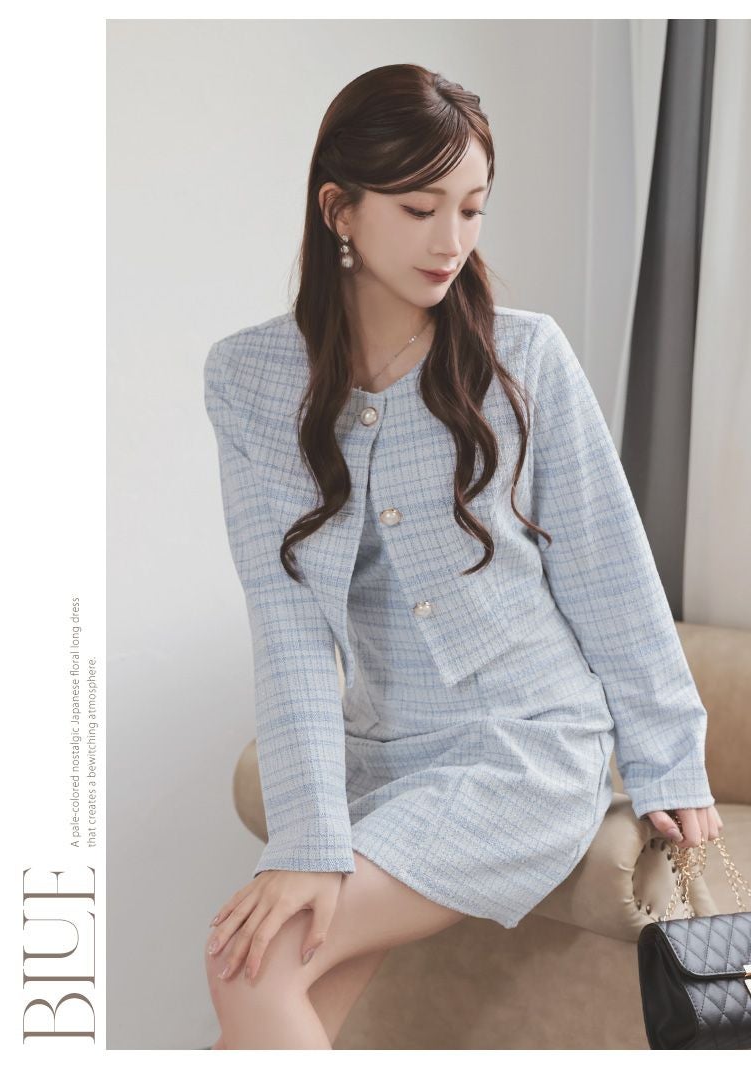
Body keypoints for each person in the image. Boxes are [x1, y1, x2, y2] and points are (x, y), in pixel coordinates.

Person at [201, 63, 723, 1050]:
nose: (451, 242)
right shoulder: (251, 379)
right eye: (418, 209)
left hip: (526, 750)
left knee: (253, 964)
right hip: (380, 752)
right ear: (338, 210)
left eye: (472, 209)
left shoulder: (523, 356)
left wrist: (668, 761)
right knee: (267, 993)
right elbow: (289, 624)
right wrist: (305, 836)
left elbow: (609, 569)